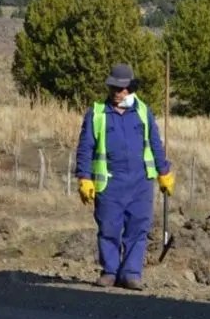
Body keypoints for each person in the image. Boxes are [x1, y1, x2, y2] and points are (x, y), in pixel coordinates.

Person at [74, 63, 174, 290]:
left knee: (138, 228)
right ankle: (110, 271)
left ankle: (131, 273)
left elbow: (155, 145)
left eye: (122, 89)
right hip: (110, 183)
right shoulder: (97, 113)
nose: (118, 94)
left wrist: (164, 171)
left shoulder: (142, 112)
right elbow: (85, 147)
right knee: (109, 227)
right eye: (114, 89)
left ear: (130, 89)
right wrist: (84, 176)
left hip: (140, 183)